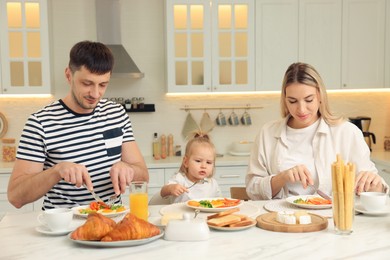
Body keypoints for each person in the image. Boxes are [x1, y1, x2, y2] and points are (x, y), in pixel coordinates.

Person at [7, 41, 149, 210]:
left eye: (103, 85)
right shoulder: (40, 123)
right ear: (69, 75)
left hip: (111, 221)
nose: (95, 94)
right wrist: (57, 171)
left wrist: (128, 169)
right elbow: (15, 196)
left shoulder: (116, 113)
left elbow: (143, 175)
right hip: (64, 228)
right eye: (87, 84)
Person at [246, 62, 389, 200]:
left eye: (308, 100)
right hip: (282, 219)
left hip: (332, 220)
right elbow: (253, 190)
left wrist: (375, 185)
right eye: (292, 101)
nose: (301, 109)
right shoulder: (267, 133)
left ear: (320, 96)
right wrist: (282, 178)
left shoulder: (347, 133)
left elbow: (376, 188)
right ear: (284, 100)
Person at [160, 131, 221, 203]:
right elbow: (162, 193)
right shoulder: (180, 179)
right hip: (179, 214)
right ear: (186, 162)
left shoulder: (212, 183)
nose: (204, 166)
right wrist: (171, 188)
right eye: (198, 161)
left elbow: (219, 203)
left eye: (208, 162)